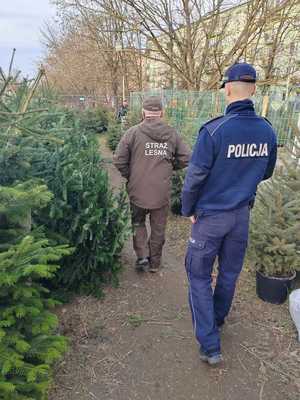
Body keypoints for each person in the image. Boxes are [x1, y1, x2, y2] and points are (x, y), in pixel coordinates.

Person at [181, 63, 277, 365]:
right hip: (241, 217)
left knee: (197, 275)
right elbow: (267, 171)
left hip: (211, 218)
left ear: (229, 88)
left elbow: (194, 177)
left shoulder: (215, 130)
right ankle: (218, 318)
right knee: (229, 273)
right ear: (253, 90)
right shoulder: (267, 130)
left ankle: (210, 345)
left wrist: (189, 209)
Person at [114, 96, 190, 272]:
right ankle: (155, 263)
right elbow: (186, 157)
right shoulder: (172, 134)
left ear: (143, 112)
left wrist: (131, 175)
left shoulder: (132, 133)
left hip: (137, 190)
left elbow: (119, 160)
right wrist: (169, 168)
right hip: (161, 192)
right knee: (158, 228)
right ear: (161, 113)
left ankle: (142, 257)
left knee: (138, 222)